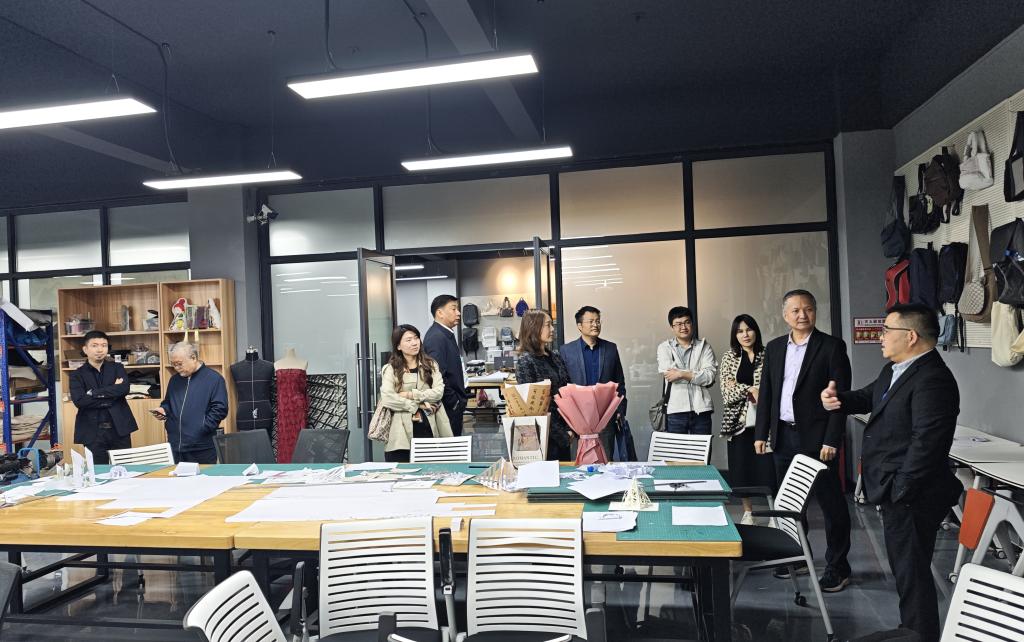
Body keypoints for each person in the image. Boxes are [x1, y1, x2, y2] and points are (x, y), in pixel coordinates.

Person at [822, 304, 961, 641]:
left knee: (912, 572)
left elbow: (927, 443)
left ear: (910, 336)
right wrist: (838, 399)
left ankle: (919, 634)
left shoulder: (933, 379)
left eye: (886, 330)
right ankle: (911, 629)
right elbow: (868, 397)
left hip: (914, 494)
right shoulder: (894, 370)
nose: (880, 336)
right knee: (905, 569)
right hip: (896, 488)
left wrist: (901, 488)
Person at [754, 289, 852, 592]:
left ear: (815, 312)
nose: (802, 315)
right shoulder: (774, 348)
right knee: (789, 501)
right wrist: (761, 433)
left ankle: (838, 566)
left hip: (818, 439)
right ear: (785, 315)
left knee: (831, 504)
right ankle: (797, 555)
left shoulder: (832, 347)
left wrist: (832, 439)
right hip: (783, 435)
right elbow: (767, 393)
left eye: (807, 309)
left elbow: (840, 398)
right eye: (795, 310)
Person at [718, 314, 776, 525]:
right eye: (740, 331)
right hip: (738, 423)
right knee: (741, 468)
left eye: (749, 329)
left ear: (756, 331)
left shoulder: (768, 354)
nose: (745, 334)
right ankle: (748, 512)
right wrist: (751, 389)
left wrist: (742, 387)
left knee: (769, 468)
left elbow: (774, 386)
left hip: (766, 421)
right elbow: (727, 393)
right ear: (735, 335)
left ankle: (774, 513)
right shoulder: (729, 357)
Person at [559, 306, 627, 459]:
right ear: (579, 326)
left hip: (605, 417)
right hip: (578, 418)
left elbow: (619, 381)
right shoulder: (566, 351)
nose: (595, 324)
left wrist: (620, 410)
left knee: (605, 460)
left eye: (597, 321)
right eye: (590, 321)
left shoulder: (610, 348)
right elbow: (563, 385)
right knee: (580, 462)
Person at [379, 324, 453, 463]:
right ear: (398, 346)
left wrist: (410, 395)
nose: (414, 343)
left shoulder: (430, 365)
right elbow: (388, 398)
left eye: (416, 338)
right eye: (408, 340)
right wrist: (418, 405)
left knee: (433, 469)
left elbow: (438, 392)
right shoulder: (391, 369)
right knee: (400, 471)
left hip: (430, 424)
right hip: (400, 432)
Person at [68, 330, 138, 464]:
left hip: (119, 428)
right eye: (94, 345)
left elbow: (124, 389)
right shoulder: (77, 375)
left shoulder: (117, 368)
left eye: (104, 345)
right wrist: (112, 393)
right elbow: (80, 401)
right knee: (98, 471)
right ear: (85, 349)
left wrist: (93, 393)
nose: (100, 349)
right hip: (92, 431)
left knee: (124, 469)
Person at [152, 342, 228, 464]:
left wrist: (201, 428)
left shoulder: (214, 379)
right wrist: (163, 409)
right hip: (175, 445)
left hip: (201, 447)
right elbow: (168, 403)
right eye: (173, 364)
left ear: (193, 358)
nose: (176, 368)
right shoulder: (174, 380)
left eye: (179, 364)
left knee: (203, 477)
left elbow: (220, 409)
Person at [515, 309, 573, 461]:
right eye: (548, 325)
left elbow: (566, 391)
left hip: (564, 427)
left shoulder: (555, 356)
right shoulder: (526, 361)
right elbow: (535, 407)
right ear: (534, 328)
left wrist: (569, 427)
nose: (552, 329)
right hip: (543, 433)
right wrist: (561, 434)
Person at [656, 306, 717, 434]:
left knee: (702, 447)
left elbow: (709, 377)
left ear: (692, 324)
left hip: (701, 409)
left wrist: (680, 374)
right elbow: (669, 375)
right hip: (675, 410)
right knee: (677, 448)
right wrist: (696, 375)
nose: (683, 327)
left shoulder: (704, 347)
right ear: (672, 327)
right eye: (678, 324)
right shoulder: (664, 348)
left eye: (687, 322)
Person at [422, 294, 470, 437]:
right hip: (448, 407)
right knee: (450, 444)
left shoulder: (445, 334)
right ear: (440, 313)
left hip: (453, 404)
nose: (458, 313)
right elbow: (437, 374)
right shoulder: (437, 337)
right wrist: (454, 402)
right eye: (454, 309)